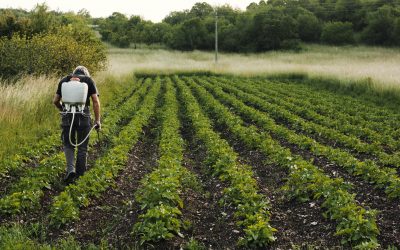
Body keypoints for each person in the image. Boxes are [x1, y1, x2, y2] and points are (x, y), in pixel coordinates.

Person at [53, 66, 101, 183]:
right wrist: (97, 120)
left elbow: (55, 101)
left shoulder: (64, 80)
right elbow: (95, 101)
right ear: (86, 74)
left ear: (74, 73)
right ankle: (80, 176)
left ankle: (70, 170)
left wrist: (62, 109)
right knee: (82, 146)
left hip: (67, 114)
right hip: (83, 115)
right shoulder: (89, 80)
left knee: (68, 144)